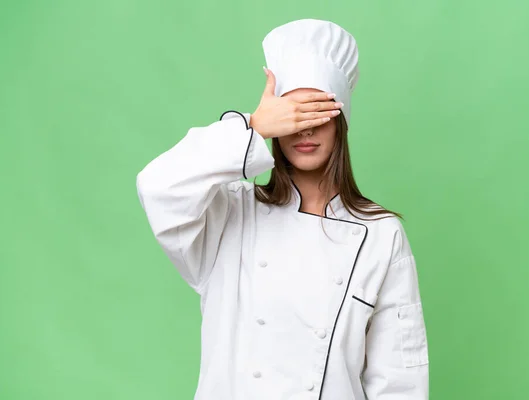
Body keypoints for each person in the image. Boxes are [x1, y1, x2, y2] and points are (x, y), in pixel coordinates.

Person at [136, 18, 429, 400]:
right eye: (292, 115)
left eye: (318, 111)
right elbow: (158, 185)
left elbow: (399, 379)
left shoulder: (381, 233)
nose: (304, 130)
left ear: (341, 120)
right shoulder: (229, 214)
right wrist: (253, 125)